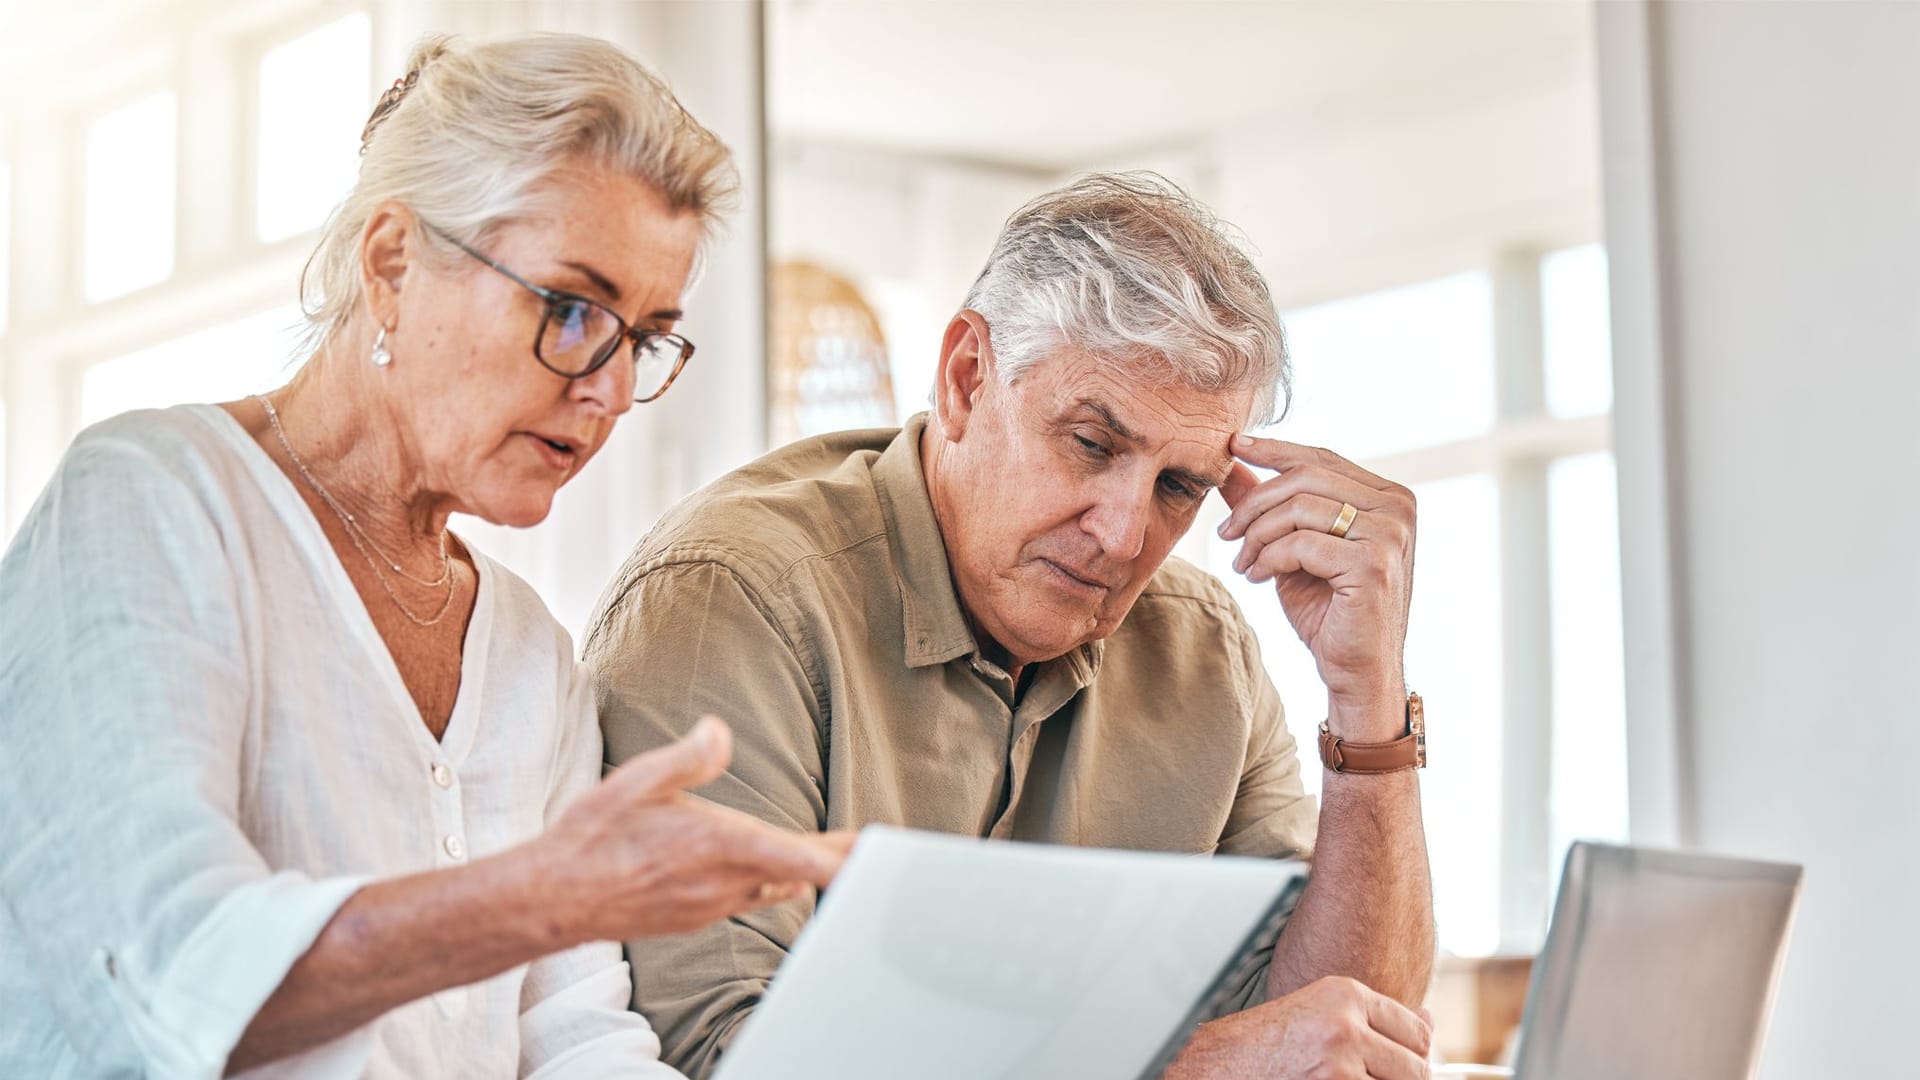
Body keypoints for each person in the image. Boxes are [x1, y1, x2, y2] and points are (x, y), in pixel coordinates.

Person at [0, 34, 848, 1078]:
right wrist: (544, 893)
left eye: (645, 336)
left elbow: (575, 1035)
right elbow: (165, 971)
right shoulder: (152, 501)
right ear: (393, 262)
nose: (613, 390)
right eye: (572, 310)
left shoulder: (531, 651)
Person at [586, 172, 1437, 1080]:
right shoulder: (733, 596)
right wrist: (1194, 1069)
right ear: (965, 378)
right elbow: (720, 1055)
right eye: (1092, 443)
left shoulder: (1205, 650)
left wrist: (1367, 692)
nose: (1122, 534)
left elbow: (1351, 1035)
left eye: (1178, 487)